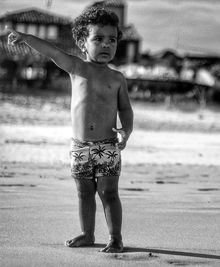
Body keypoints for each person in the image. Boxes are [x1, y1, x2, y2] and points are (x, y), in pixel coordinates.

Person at [7, 6, 134, 253]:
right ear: (82, 43)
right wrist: (25, 37)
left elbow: (126, 109)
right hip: (79, 146)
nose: (106, 45)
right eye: (98, 39)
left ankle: (116, 237)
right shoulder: (76, 67)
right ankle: (87, 234)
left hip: (107, 145)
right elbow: (50, 51)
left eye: (112, 40)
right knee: (84, 192)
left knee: (109, 193)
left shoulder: (117, 78)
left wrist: (125, 131)